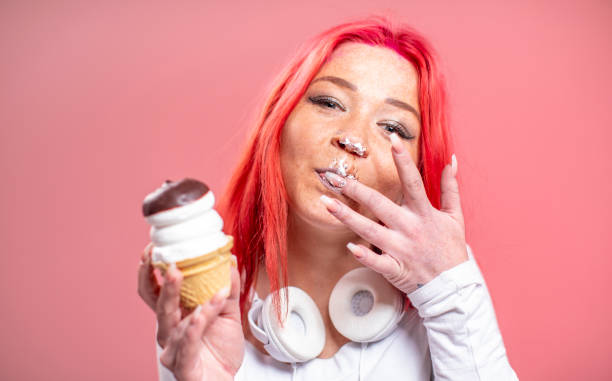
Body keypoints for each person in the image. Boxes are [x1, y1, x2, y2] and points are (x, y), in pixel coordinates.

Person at [138, 16, 519, 381]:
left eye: (392, 127)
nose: (352, 138)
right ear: (280, 122)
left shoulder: (447, 285)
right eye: (329, 103)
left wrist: (450, 294)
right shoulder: (206, 296)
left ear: (417, 172)